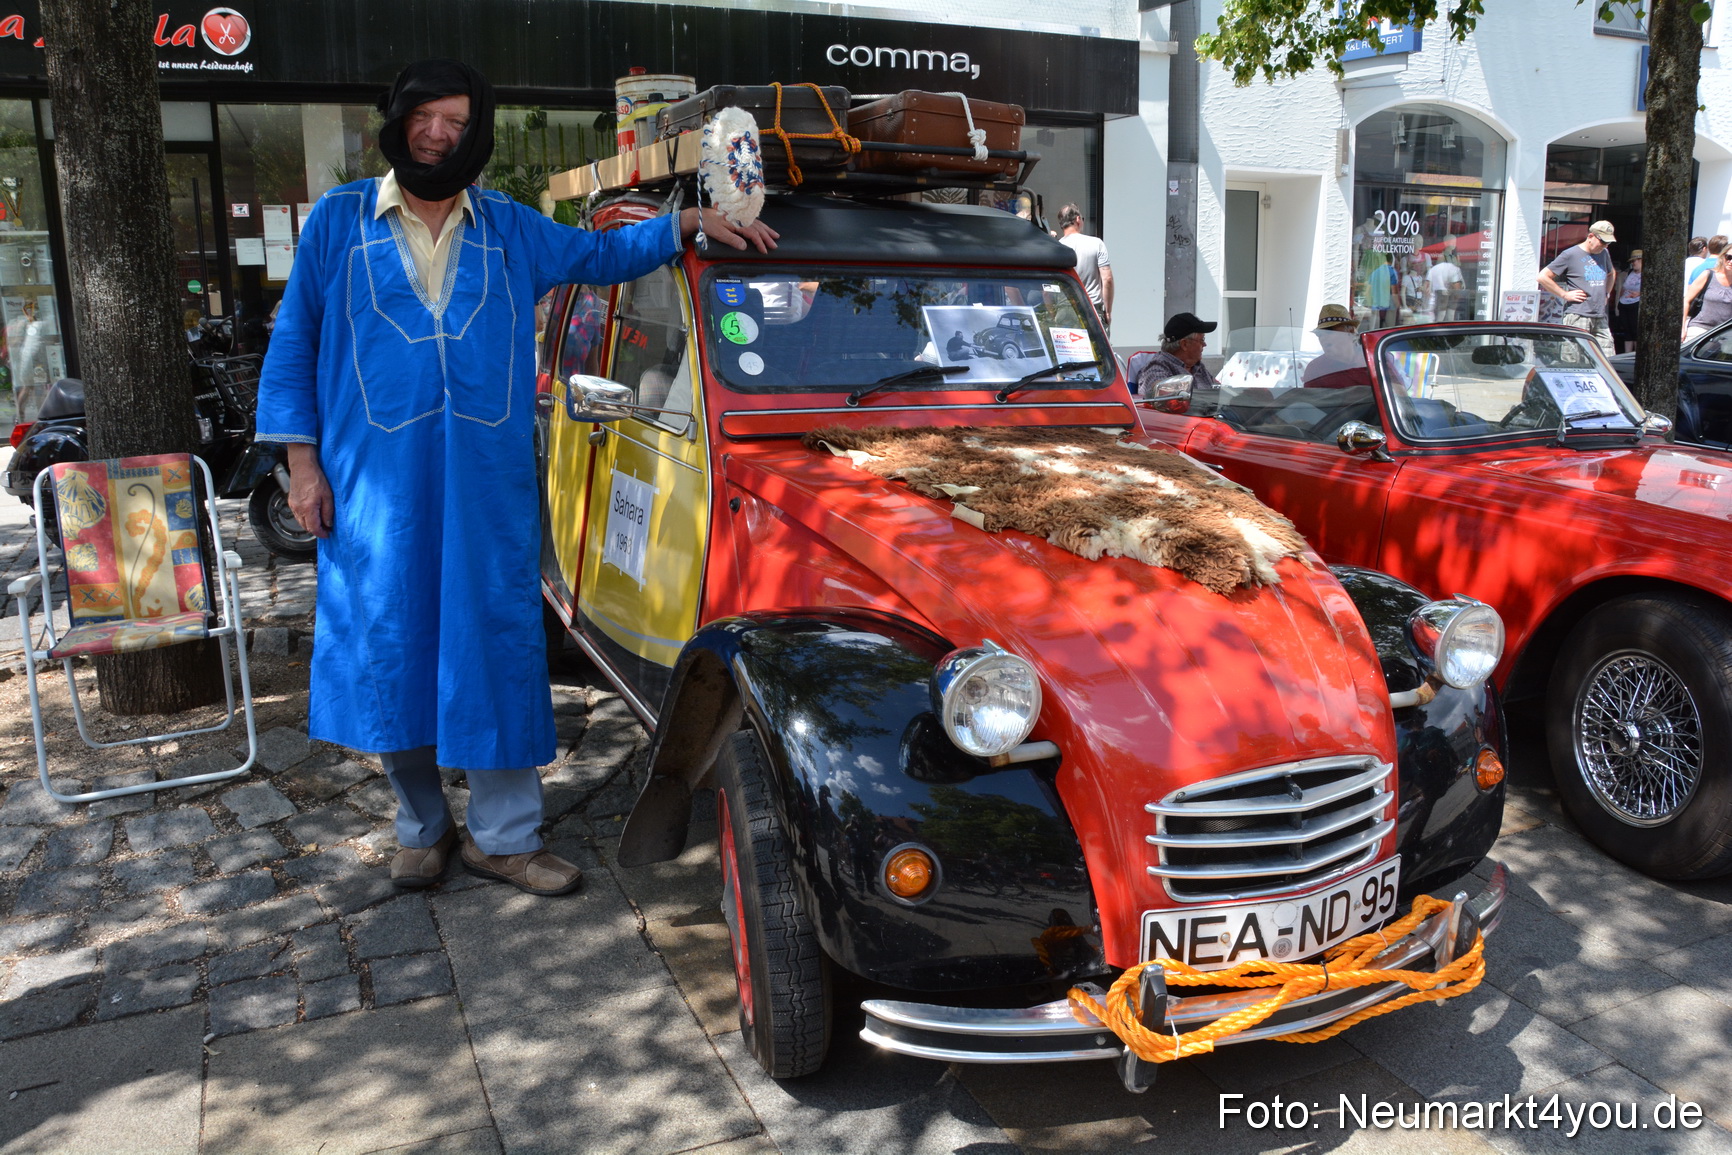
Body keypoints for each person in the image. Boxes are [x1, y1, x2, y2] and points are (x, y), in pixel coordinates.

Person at [255, 60, 776, 897]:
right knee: (395, 643)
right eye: (426, 116)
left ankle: (504, 835)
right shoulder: (338, 222)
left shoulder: (507, 228)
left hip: (487, 487)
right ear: (398, 120)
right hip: (373, 485)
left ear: (476, 134)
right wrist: (302, 467)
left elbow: (602, 253)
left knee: (492, 646)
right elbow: (293, 348)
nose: (438, 133)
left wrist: (687, 225)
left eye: (457, 122)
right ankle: (421, 826)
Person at [1538, 220, 1616, 357]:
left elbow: (1611, 273)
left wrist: (1606, 294)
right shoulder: (1570, 254)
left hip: (1599, 314)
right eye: (1602, 241)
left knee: (1608, 358)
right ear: (1591, 236)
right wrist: (1564, 295)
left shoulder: (1604, 253)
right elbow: (1543, 277)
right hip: (1578, 314)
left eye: (1608, 243)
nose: (1605, 246)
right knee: (1573, 358)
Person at [1056, 204, 1113, 332]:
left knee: (1067, 352)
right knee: (1096, 351)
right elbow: (1107, 279)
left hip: (1065, 309)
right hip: (1092, 308)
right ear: (1077, 219)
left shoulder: (1056, 247)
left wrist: (1052, 311)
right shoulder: (1096, 243)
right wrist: (1108, 311)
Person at [1136, 312, 1218, 396]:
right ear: (1184, 344)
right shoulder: (1158, 365)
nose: (1205, 344)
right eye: (1202, 340)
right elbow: (1157, 389)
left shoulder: (1198, 367)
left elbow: (1217, 390)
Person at [1301, 303, 1370, 388]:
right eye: (1320, 334)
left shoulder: (1373, 359)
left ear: (1350, 331)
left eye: (1329, 331)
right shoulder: (1316, 368)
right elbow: (1310, 400)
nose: (1323, 338)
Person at [1684, 245, 1732, 341]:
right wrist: (1682, 328)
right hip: (1700, 328)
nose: (1731, 262)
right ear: (1722, 257)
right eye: (1729, 257)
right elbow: (1686, 300)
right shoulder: (1708, 275)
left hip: (1725, 333)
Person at [1611, 249, 1642, 354]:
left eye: (1635, 261)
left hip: (1636, 304)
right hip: (1625, 304)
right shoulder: (1629, 272)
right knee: (1627, 331)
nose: (1633, 263)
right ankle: (1627, 354)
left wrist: (1640, 293)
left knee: (1636, 331)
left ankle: (1637, 356)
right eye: (1632, 261)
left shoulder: (1647, 274)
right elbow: (1622, 288)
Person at [1427, 247, 1465, 322]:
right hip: (1444, 287)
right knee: (1442, 312)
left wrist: (1462, 282)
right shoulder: (1442, 256)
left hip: (1453, 287)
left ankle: (1449, 329)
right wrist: (1442, 287)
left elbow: (1458, 270)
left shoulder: (1455, 256)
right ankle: (1438, 328)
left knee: (1451, 312)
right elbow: (1438, 272)